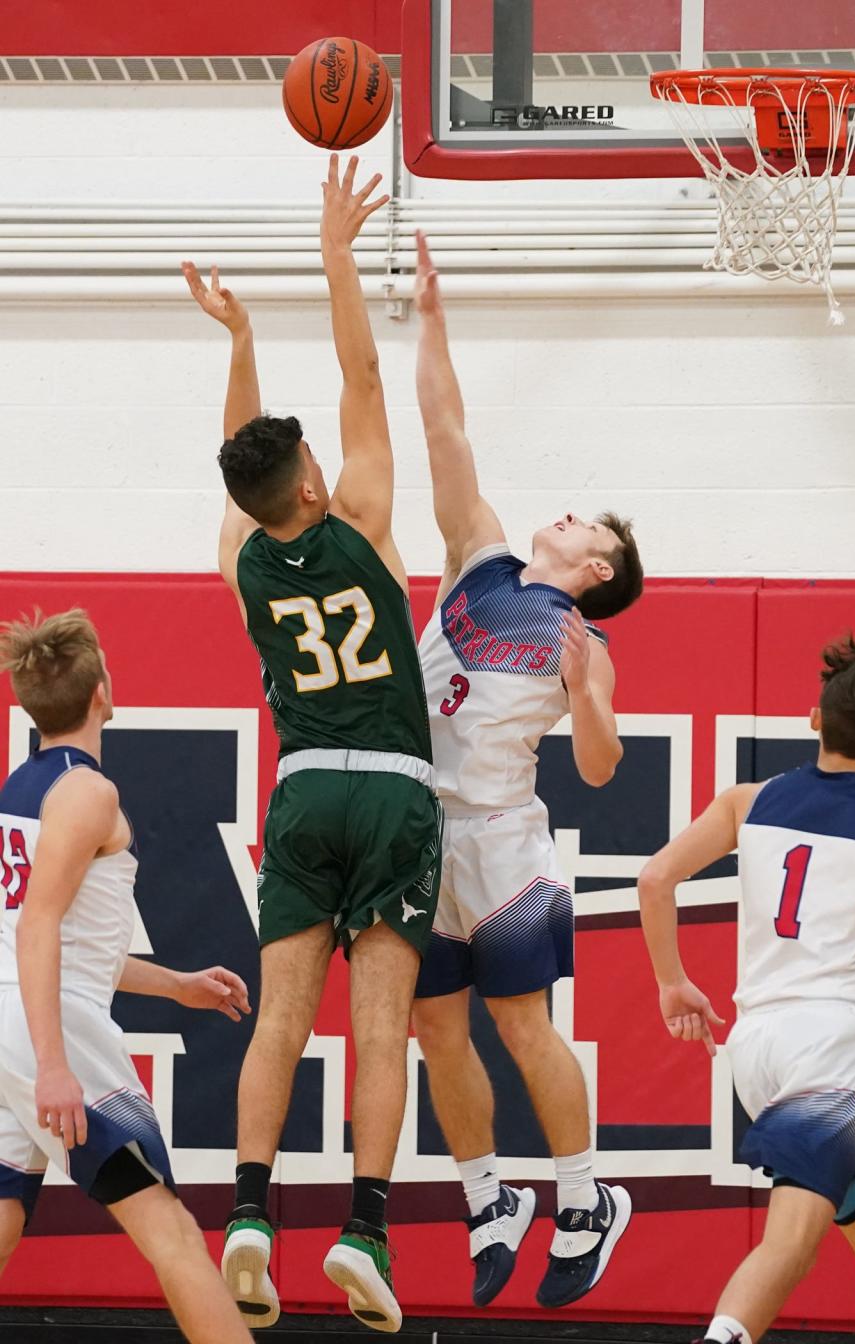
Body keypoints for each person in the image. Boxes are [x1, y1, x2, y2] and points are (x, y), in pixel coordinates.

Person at [181, 156, 442, 1336]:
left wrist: (237, 341)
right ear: (315, 480)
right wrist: (337, 255)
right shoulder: (365, 523)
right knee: (377, 1026)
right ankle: (367, 1231)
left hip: (300, 792)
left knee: (280, 1017)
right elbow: (364, 375)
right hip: (391, 791)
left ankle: (245, 1216)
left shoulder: (241, 558)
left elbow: (241, 460)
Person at [409, 233, 644, 1310]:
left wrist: (590, 698)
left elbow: (598, 769)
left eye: (584, 524)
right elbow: (445, 430)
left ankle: (588, 1197)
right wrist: (434, 319)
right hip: (421, 828)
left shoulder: (581, 642)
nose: (565, 513)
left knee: (519, 1025)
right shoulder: (482, 556)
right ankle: (488, 1194)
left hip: (501, 835)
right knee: (432, 1027)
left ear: (596, 569)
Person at [638, 636, 855, 1344]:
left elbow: (654, 880)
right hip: (829, 1050)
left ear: (813, 720)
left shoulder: (749, 800)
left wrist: (672, 983)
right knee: (791, 1245)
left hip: (757, 1048)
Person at [0, 609, 254, 1344]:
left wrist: (174, 984)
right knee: (169, 1229)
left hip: (20, 1018)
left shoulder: (21, 786)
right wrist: (53, 1065)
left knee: (5, 1223)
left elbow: (70, 942)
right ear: (103, 694)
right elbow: (38, 929)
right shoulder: (89, 794)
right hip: (52, 1029)